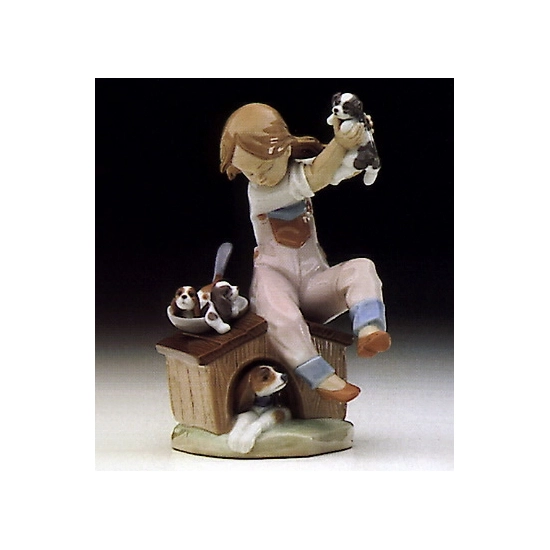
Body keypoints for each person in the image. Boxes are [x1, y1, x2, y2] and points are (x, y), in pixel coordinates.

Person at [220, 103, 390, 403]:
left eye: (265, 167)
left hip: (312, 283)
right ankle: (321, 377)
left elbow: (337, 169)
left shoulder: (297, 168)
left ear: (285, 150)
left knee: (361, 268)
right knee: (281, 316)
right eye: (248, 171)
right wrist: (340, 143)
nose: (258, 177)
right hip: (277, 281)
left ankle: (370, 329)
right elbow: (318, 177)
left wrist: (357, 140)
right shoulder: (259, 193)